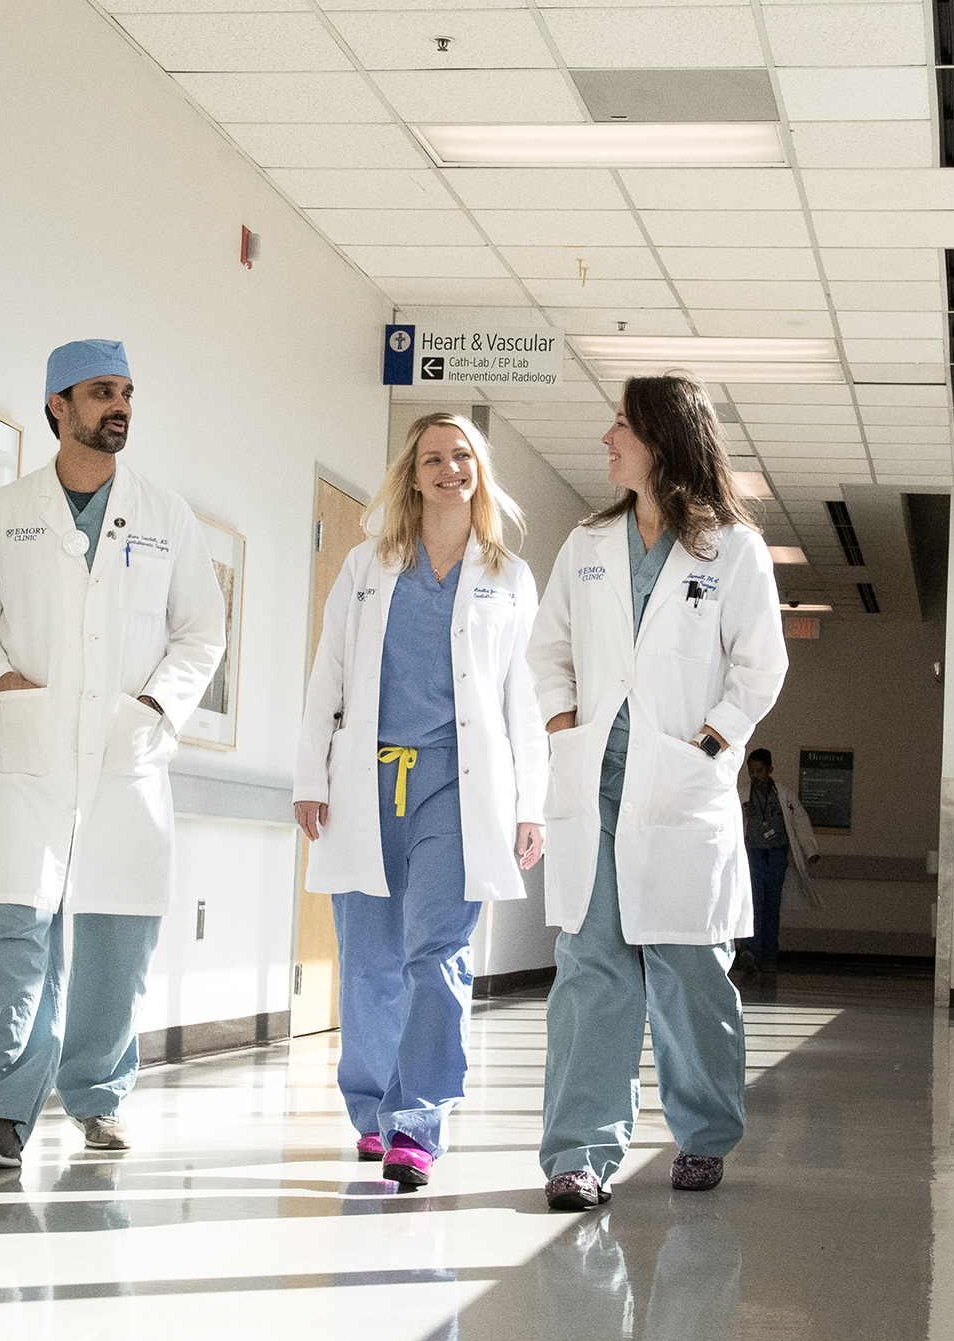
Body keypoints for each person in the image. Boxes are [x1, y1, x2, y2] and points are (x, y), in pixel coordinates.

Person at [0, 339, 225, 1170]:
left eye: (128, 390)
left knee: (115, 938)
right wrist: (5, 683)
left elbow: (202, 630)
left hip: (126, 754)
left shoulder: (167, 516)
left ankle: (97, 1096)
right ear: (58, 405)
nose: (119, 405)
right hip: (32, 751)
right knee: (18, 929)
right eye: (102, 392)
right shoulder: (4, 508)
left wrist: (157, 707)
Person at [528, 372, 787, 1211]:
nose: (606, 441)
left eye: (621, 427)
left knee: (689, 971)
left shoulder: (733, 550)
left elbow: (761, 664)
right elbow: (548, 650)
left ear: (663, 441)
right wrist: (564, 725)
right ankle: (579, 1152)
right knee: (590, 970)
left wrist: (712, 743)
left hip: (678, 787)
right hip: (595, 785)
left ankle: (705, 1132)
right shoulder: (587, 546)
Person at [294, 412, 547, 1189]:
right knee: (369, 962)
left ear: (480, 470)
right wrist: (310, 777)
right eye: (432, 458)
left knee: (435, 955)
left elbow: (524, 699)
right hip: (365, 782)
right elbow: (328, 673)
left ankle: (418, 1121)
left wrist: (530, 803)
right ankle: (373, 1109)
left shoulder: (508, 576)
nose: (448, 470)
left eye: (461, 456)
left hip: (456, 786)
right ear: (411, 473)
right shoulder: (368, 564)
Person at [734, 748, 821, 980]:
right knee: (754, 904)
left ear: (770, 769)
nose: (755, 775)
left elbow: (800, 821)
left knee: (772, 907)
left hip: (777, 855)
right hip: (752, 855)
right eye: (751, 770)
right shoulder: (741, 795)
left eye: (759, 770)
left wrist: (810, 850)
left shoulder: (785, 795)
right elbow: (729, 823)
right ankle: (750, 953)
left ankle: (769, 957)